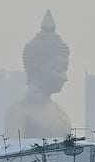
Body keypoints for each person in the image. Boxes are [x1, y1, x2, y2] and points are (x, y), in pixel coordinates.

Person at [4, 9, 72, 140]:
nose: (64, 78)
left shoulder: (61, 114)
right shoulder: (19, 112)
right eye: (58, 69)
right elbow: (12, 156)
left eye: (65, 70)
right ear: (36, 69)